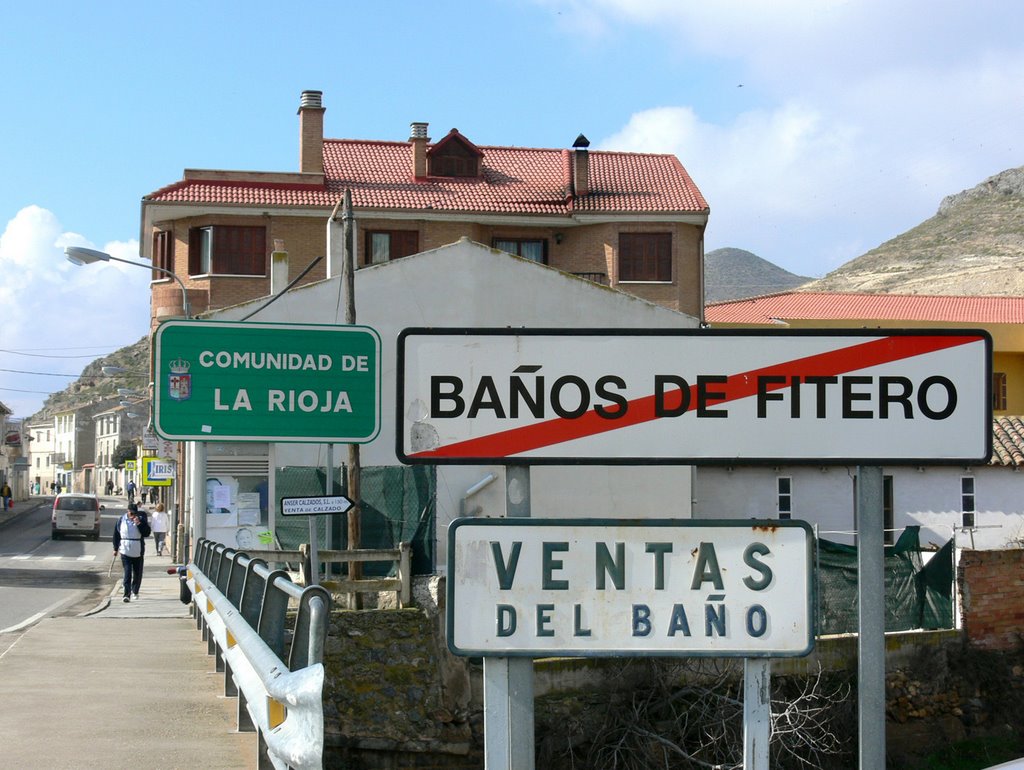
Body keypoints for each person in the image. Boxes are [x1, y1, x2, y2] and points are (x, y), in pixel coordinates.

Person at [113, 502, 150, 602]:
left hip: (137, 549)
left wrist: (139, 524)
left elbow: (147, 533)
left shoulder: (141, 520)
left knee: (137, 573)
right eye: (131, 513)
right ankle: (126, 594)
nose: (133, 515)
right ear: (127, 511)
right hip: (125, 549)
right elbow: (116, 534)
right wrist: (115, 548)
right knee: (127, 572)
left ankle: (135, 590)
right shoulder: (121, 520)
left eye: (134, 513)